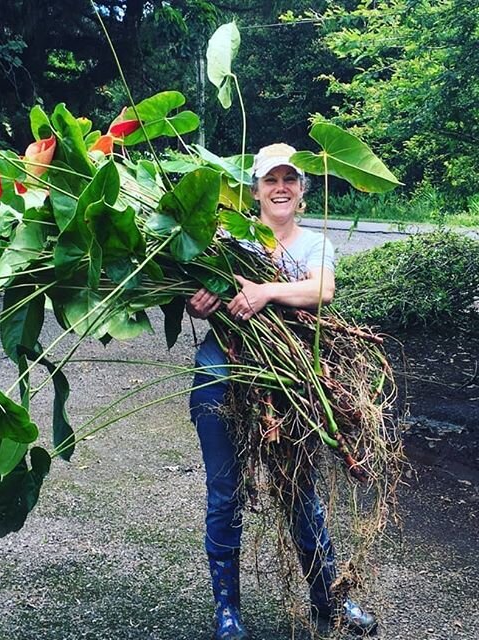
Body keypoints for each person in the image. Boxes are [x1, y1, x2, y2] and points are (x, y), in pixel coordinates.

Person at [187, 143, 378, 639]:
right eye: (270, 180)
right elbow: (193, 295)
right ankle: (226, 610)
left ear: (302, 192)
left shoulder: (314, 245)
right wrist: (200, 302)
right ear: (254, 191)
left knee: (299, 491)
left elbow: (322, 290)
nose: (280, 188)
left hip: (288, 379)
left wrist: (265, 290)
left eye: (289, 180)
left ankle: (330, 601)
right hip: (222, 366)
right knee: (224, 492)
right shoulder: (226, 239)